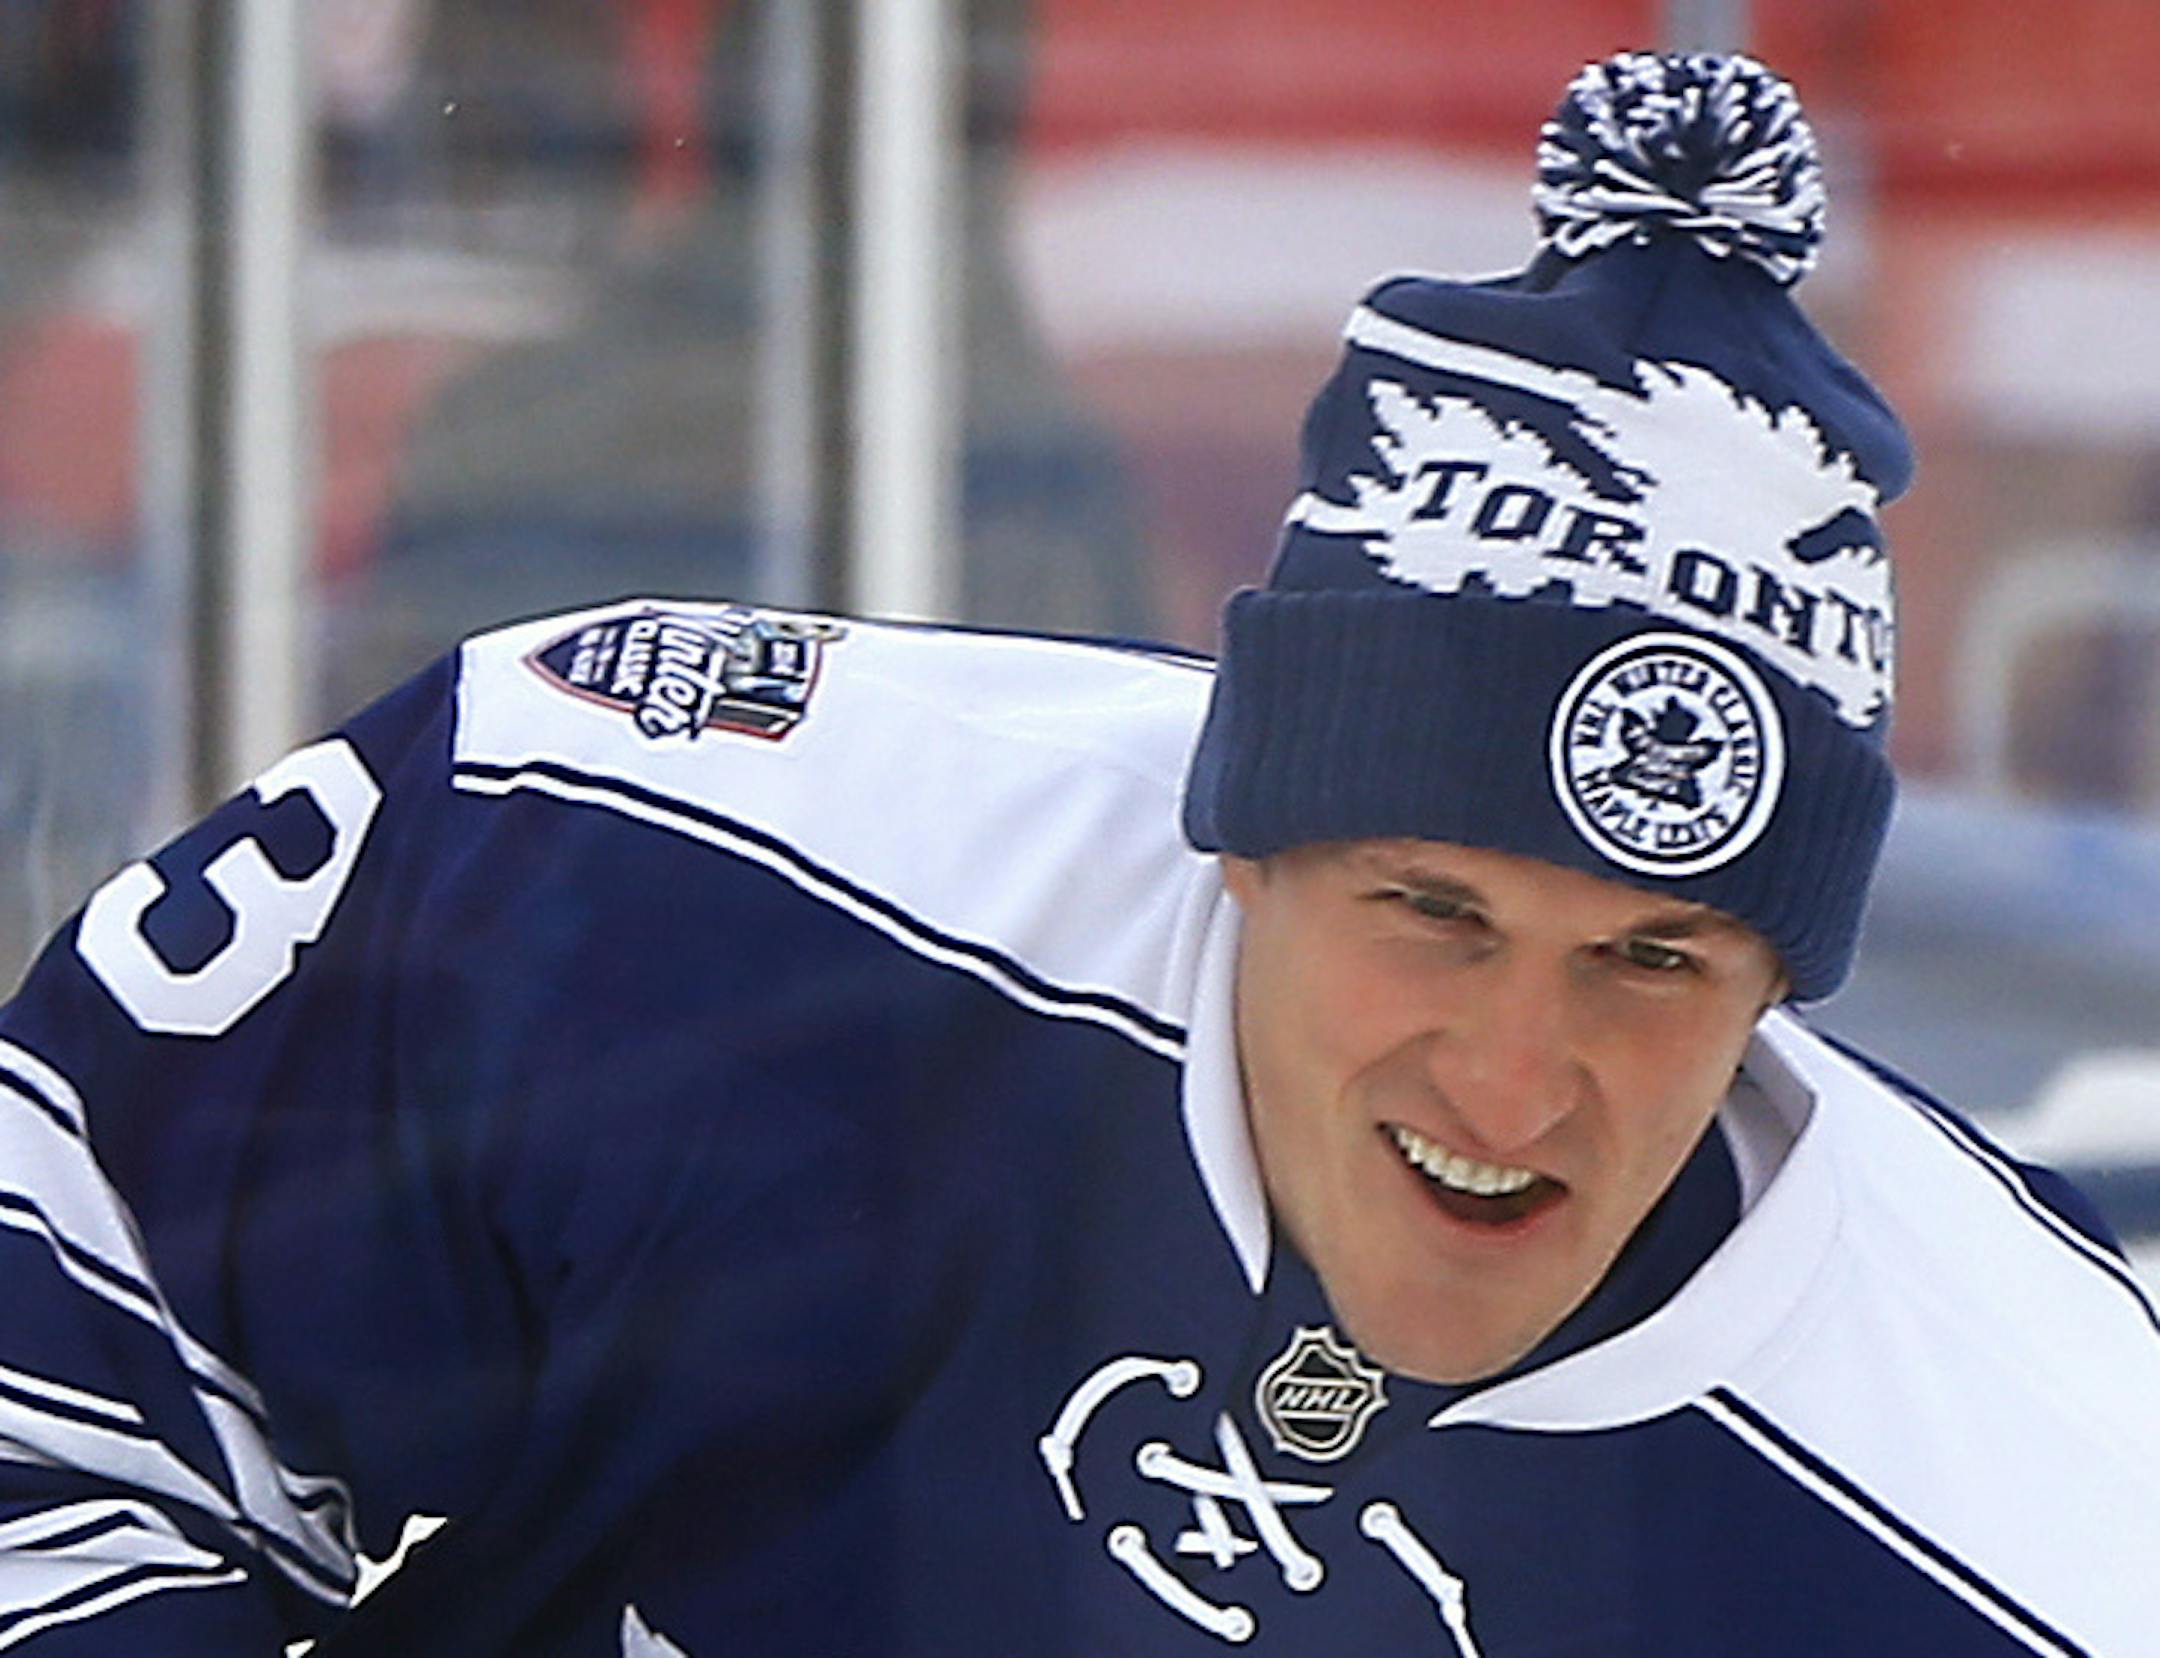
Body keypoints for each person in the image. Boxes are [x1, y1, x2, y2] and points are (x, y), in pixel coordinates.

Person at [0, 51, 2154, 1657]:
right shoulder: (678, 858)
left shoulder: (2053, 1506)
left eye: (1655, 963)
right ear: (1242, 832)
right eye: (1432, 912)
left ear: (1783, 984)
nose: (1513, 1080)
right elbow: (57, 1342)